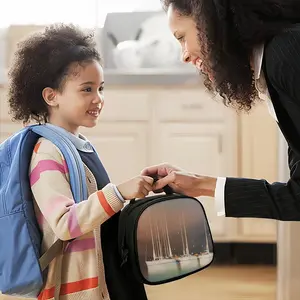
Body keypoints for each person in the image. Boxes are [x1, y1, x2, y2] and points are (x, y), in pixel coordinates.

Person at [8, 24, 153, 300]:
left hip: (106, 274)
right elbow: (64, 223)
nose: (98, 99)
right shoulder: (47, 154)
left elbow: (97, 210)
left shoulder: (79, 146)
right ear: (52, 96)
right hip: (79, 287)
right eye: (86, 89)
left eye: (100, 88)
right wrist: (120, 192)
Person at [142, 0, 300, 221]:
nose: (184, 56)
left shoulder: (286, 55)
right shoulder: (275, 60)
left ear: (211, 23)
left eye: (182, 37)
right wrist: (199, 184)